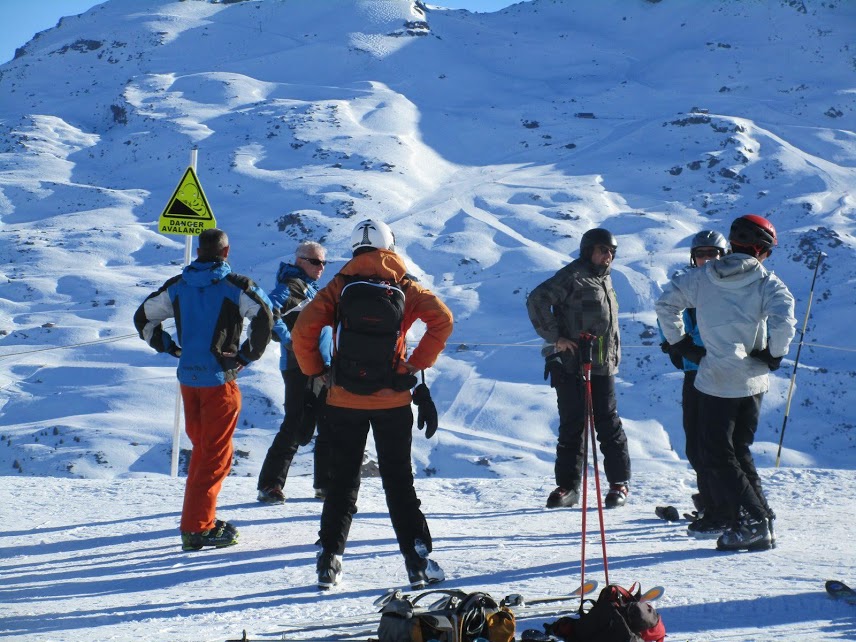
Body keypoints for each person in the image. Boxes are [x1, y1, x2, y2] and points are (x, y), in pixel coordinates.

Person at [291, 219, 454, 590]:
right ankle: (418, 561)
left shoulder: (339, 285)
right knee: (398, 482)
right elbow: (442, 320)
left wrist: (318, 372)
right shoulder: (403, 284)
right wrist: (414, 365)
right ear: (389, 247)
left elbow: (304, 330)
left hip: (343, 398)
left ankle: (329, 560)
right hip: (392, 399)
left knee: (342, 482)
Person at [656, 214, 796, 551]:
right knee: (739, 451)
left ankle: (754, 521)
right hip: (752, 381)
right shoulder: (766, 282)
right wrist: (773, 353)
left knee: (717, 453)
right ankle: (761, 516)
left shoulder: (704, 277)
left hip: (715, 378)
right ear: (762, 250)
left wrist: (681, 344)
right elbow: (785, 318)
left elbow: (666, 304)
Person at [134, 228, 274, 551]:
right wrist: (246, 356)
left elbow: (142, 318)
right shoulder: (234, 286)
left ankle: (201, 519)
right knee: (214, 458)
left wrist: (168, 346)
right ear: (226, 252)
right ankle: (197, 528)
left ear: (199, 251)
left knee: (205, 454)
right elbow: (265, 315)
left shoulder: (179, 286)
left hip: (188, 381)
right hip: (219, 381)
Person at [526, 228, 632, 510]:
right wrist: (555, 337)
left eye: (611, 251)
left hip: (603, 364)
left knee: (608, 423)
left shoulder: (605, 280)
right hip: (573, 364)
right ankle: (569, 487)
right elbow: (537, 299)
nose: (608, 256)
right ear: (588, 250)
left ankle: (619, 484)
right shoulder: (574, 276)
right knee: (572, 423)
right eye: (602, 250)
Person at [656, 230, 729, 538]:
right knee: (695, 442)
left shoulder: (729, 287)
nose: (707, 259)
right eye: (702, 254)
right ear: (693, 257)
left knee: (718, 442)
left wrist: (688, 347)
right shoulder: (685, 286)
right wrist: (673, 345)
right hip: (693, 372)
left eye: (713, 254)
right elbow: (667, 315)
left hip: (722, 373)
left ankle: (722, 505)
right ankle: (711, 500)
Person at [257, 241, 334, 504]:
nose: (321, 267)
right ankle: (270, 485)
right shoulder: (293, 287)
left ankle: (324, 484)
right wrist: (289, 340)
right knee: (295, 424)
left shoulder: (309, 289)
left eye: (323, 262)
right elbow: (267, 310)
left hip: (320, 367)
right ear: (299, 260)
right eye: (315, 261)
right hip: (298, 366)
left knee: (325, 423)